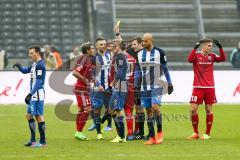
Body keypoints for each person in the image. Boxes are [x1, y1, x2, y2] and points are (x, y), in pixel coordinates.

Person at [137, 33, 173, 145]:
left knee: (155, 107)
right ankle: (152, 137)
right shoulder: (139, 54)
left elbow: (165, 68)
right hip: (144, 87)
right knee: (148, 111)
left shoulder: (159, 52)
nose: (144, 43)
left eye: (146, 41)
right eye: (143, 41)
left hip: (157, 85)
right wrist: (135, 84)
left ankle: (160, 133)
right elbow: (139, 71)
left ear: (151, 41)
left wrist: (170, 82)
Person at [187, 38, 226, 140]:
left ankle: (207, 133)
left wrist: (220, 47)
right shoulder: (196, 55)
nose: (211, 47)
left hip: (209, 87)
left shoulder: (212, 56)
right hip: (197, 87)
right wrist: (194, 48)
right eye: (209, 45)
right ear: (203, 46)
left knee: (208, 109)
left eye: (211, 46)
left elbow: (223, 59)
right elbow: (189, 60)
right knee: (193, 109)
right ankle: (195, 132)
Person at [13, 45, 47, 147]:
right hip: (33, 94)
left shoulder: (40, 65)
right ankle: (32, 140)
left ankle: (42, 142)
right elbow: (25, 70)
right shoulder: (34, 64)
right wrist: (19, 67)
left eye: (31, 53)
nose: (30, 55)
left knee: (38, 116)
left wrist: (30, 94)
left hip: (36, 94)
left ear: (37, 53)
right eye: (29, 53)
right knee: (29, 116)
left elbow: (39, 82)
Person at [90, 37, 113, 140]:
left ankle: (100, 123)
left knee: (111, 110)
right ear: (97, 46)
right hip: (97, 89)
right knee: (97, 110)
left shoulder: (109, 55)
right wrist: (98, 84)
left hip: (108, 88)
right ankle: (99, 134)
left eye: (104, 44)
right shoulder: (94, 58)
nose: (103, 46)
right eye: (101, 44)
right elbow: (91, 74)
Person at [73, 42, 96, 140]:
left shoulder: (89, 60)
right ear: (88, 50)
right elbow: (75, 72)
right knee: (88, 109)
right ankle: (79, 132)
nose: (94, 50)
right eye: (92, 48)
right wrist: (85, 80)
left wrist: (95, 82)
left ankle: (78, 132)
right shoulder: (83, 59)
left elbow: (88, 74)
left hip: (83, 88)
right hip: (81, 88)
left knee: (82, 110)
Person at [109, 39, 128, 143]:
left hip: (121, 85)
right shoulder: (117, 56)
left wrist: (113, 82)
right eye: (112, 46)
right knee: (112, 109)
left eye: (114, 46)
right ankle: (120, 135)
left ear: (119, 47)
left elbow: (120, 73)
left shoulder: (120, 57)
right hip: (119, 85)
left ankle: (121, 136)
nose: (112, 48)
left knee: (117, 109)